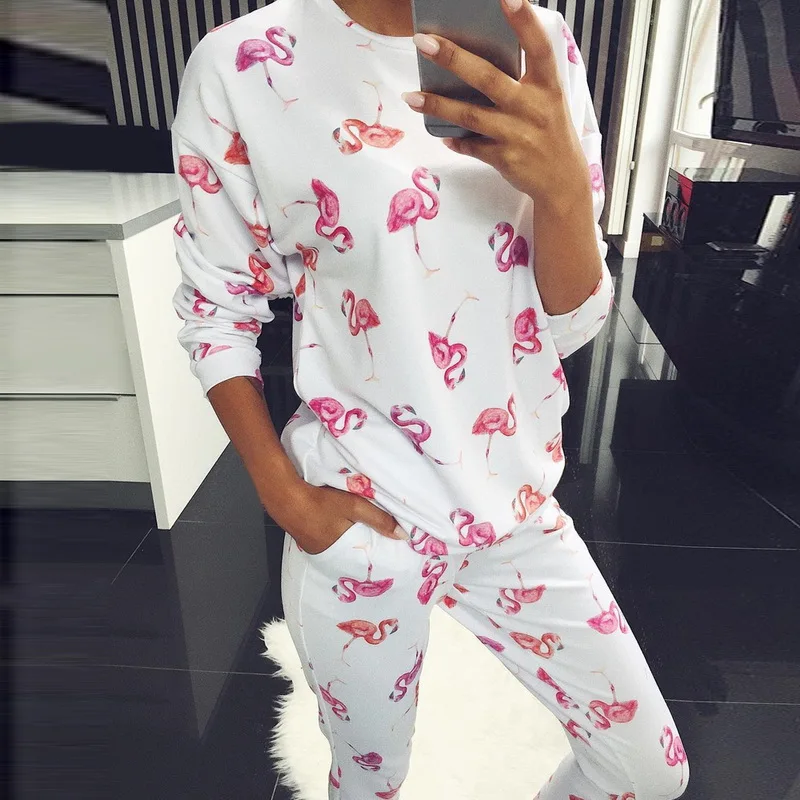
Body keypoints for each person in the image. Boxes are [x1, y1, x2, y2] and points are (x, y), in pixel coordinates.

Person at [170, 1, 690, 798]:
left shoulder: (540, 41)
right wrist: (286, 499)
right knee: (370, 779)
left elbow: (572, 323)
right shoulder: (245, 62)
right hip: (364, 515)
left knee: (648, 771)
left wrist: (562, 194)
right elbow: (217, 309)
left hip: (515, 507)